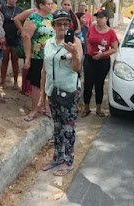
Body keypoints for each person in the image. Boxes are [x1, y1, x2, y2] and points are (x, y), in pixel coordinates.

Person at [39, 10, 83, 176]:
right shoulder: (49, 43)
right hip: (53, 91)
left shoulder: (75, 42)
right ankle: (57, 157)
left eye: (66, 24)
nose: (63, 27)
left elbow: (76, 69)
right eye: (59, 24)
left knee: (68, 127)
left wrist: (76, 54)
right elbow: (44, 70)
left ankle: (68, 161)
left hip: (69, 90)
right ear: (53, 25)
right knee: (56, 126)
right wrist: (42, 97)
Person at [21, 0, 54, 121]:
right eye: (49, 4)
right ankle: (34, 109)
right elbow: (26, 37)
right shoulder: (34, 18)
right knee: (37, 83)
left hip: (51, 56)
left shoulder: (52, 17)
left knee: (50, 82)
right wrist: (28, 58)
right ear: (41, 5)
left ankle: (44, 107)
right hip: (38, 56)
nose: (52, 6)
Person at [81, 10, 118, 118]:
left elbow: (114, 48)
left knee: (99, 84)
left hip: (103, 61)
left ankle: (98, 108)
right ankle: (86, 107)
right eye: (97, 17)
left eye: (101, 18)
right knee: (88, 83)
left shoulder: (111, 33)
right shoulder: (92, 28)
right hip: (90, 59)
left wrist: (102, 54)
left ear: (106, 19)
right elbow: (87, 38)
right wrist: (89, 50)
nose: (98, 20)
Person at [1, 0, 23, 89]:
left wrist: (21, 29)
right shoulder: (3, 9)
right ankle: (3, 81)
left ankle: (15, 82)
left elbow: (25, 21)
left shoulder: (20, 10)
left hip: (16, 38)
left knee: (15, 60)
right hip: (5, 38)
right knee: (4, 60)